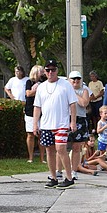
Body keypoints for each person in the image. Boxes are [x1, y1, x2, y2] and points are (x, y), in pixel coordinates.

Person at [33, 59, 77, 189]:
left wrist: (72, 121)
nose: (50, 72)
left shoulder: (65, 85)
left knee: (61, 149)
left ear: (57, 71)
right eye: (48, 70)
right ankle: (53, 177)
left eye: (53, 70)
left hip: (61, 123)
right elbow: (37, 107)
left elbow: (72, 104)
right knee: (49, 150)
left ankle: (69, 177)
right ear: (44, 72)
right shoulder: (41, 87)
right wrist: (35, 124)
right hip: (46, 124)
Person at [67, 71, 92, 175]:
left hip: (80, 119)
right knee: (61, 146)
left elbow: (84, 103)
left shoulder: (84, 90)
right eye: (73, 79)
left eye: (78, 79)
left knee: (77, 147)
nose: (75, 81)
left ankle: (74, 170)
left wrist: (73, 93)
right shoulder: (64, 90)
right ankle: (60, 170)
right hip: (66, 118)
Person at [24, 65, 45, 163]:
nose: (43, 73)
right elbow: (28, 93)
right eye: (41, 71)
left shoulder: (44, 82)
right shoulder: (29, 82)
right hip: (30, 111)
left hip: (42, 111)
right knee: (30, 134)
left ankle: (42, 158)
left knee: (41, 134)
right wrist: (37, 90)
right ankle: (30, 157)